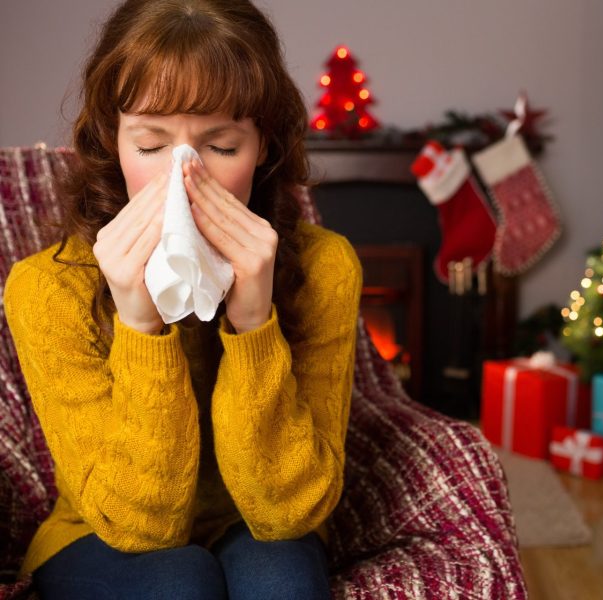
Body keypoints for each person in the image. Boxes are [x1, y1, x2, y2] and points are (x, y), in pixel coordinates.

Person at [4, 1, 362, 598]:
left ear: (263, 148)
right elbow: (141, 525)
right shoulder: (48, 288)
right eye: (150, 147)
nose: (183, 180)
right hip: (102, 530)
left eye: (221, 147)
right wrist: (140, 324)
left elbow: (290, 512)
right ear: (110, 145)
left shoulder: (325, 268)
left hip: (257, 521)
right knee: (179, 582)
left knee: (282, 583)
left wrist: (253, 321)